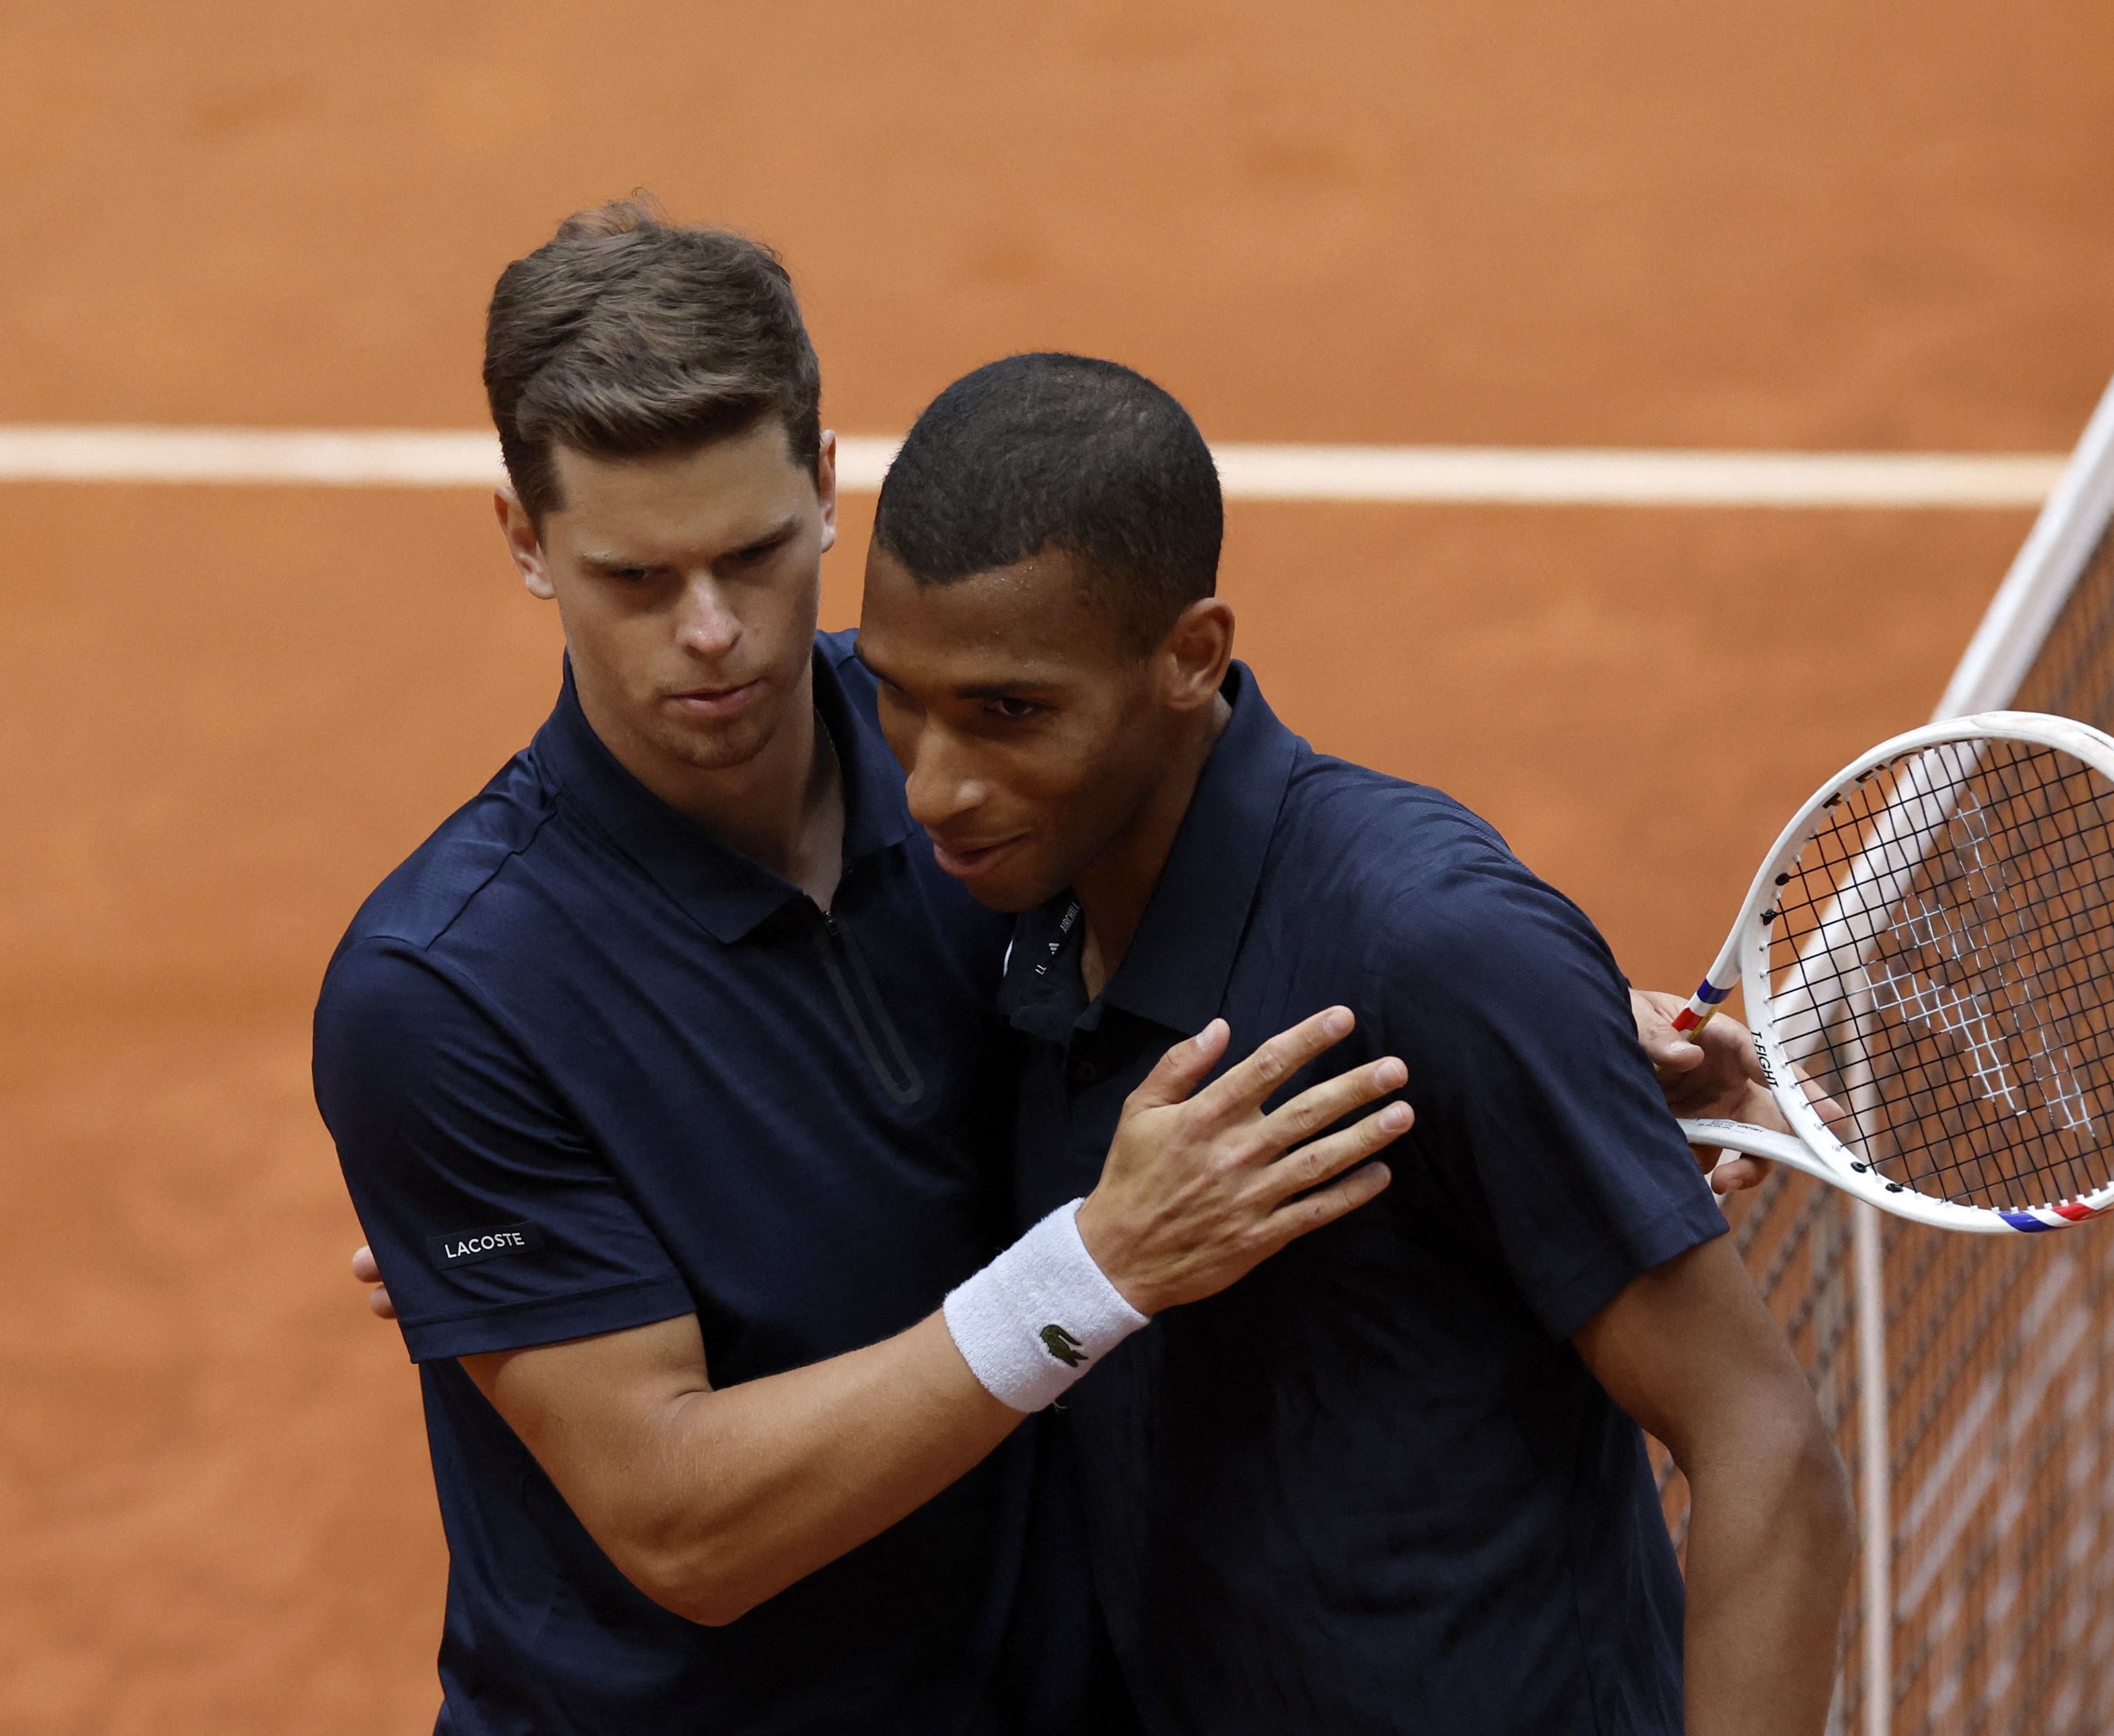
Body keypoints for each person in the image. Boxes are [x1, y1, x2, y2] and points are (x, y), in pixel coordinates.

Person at [327, 201, 1797, 1733]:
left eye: (755, 556)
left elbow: (1270, 879)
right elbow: (683, 1526)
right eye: (635, 580)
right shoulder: (448, 993)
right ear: (525, 538)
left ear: (829, 494)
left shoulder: (982, 775)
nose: (714, 636)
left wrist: (1535, 1032)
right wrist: (1092, 1269)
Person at [851, 352, 1857, 1736]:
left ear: (1191, 656)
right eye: (900, 694)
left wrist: (1536, 1008)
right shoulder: (1028, 897)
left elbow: (1765, 1452)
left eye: (1010, 713)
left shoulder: (1431, 953)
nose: (936, 786)